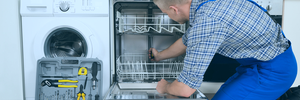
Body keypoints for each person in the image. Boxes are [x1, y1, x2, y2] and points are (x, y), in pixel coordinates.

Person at [150, 0, 297, 99]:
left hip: (272, 72)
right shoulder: (206, 4)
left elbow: (185, 89)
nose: (167, 16)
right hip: (259, 64)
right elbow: (186, 41)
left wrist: (165, 87)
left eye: (165, 13)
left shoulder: (207, 22)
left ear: (174, 9)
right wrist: (159, 56)